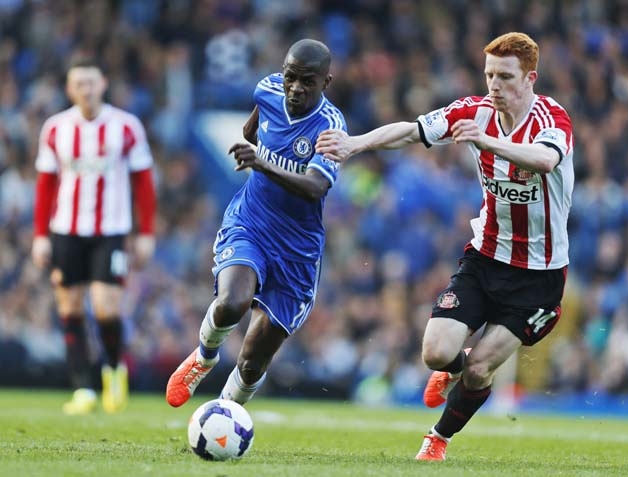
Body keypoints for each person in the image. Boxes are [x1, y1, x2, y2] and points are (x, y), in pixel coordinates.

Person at [316, 32, 574, 461]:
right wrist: (355, 144)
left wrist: (484, 142)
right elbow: (413, 130)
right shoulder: (473, 111)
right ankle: (452, 367)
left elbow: (544, 159)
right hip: (486, 257)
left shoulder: (552, 118)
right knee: (436, 352)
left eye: (505, 76)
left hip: (539, 275)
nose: (494, 85)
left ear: (530, 78)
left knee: (478, 370)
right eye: (490, 74)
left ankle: (437, 439)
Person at [165, 39, 346, 409]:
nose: (295, 87)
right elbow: (252, 131)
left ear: (326, 82)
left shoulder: (331, 128)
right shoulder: (266, 89)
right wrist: (252, 151)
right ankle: (203, 358)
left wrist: (262, 163)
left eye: (307, 81)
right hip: (251, 222)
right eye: (290, 77)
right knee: (232, 302)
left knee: (251, 362)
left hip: (297, 250)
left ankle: (223, 412)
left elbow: (314, 188)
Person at [31, 59, 157, 415]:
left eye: (91, 81)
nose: (86, 89)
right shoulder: (56, 128)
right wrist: (40, 235)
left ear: (103, 83)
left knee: (106, 308)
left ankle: (114, 368)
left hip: (111, 231)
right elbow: (45, 185)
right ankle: (83, 388)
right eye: (78, 84)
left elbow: (144, 183)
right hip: (66, 230)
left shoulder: (126, 127)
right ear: (70, 89)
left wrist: (145, 232)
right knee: (69, 307)